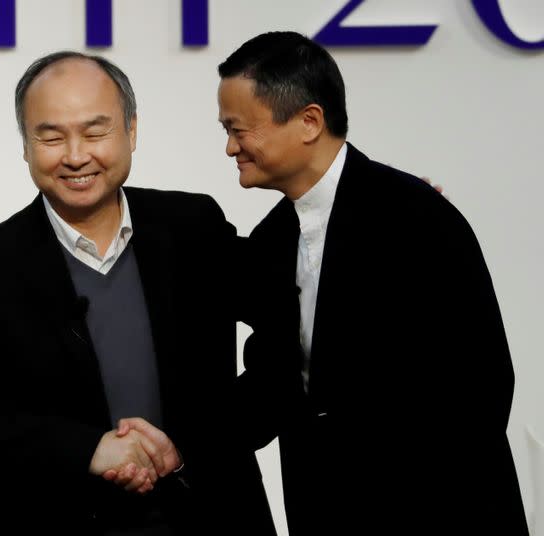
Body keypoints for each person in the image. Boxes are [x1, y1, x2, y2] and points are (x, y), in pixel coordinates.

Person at [0, 51, 276, 535]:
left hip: (207, 514)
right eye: (50, 136)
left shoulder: (194, 228)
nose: (75, 155)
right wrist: (87, 449)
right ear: (26, 145)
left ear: (131, 131)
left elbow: (288, 326)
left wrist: (197, 443)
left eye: (94, 132)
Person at [214, 30, 528, 535]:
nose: (230, 147)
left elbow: (482, 388)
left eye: (239, 129)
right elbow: (278, 387)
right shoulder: (271, 242)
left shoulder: (417, 217)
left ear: (309, 122)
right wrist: (175, 445)